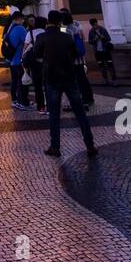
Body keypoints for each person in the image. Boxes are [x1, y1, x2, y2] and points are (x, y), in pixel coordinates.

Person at [41, 12, 96, 157]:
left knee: (54, 114)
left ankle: (55, 147)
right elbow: (76, 52)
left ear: (48, 21)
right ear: (60, 22)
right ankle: (90, 145)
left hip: (52, 79)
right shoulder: (66, 37)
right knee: (80, 112)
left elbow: (36, 53)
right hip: (69, 78)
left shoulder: (42, 37)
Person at [2, 14, 29, 109]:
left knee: (15, 80)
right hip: (19, 59)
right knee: (22, 81)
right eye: (22, 19)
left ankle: (15, 100)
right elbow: (28, 40)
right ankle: (22, 102)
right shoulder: (20, 29)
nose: (23, 20)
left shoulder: (10, 29)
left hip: (12, 60)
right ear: (19, 19)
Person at [88, 18, 116, 85]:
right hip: (97, 51)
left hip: (105, 50)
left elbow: (109, 38)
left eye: (95, 24)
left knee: (110, 64)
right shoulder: (91, 31)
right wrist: (95, 39)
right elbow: (90, 42)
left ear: (96, 23)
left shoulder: (102, 29)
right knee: (101, 66)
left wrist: (103, 37)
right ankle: (106, 80)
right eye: (93, 25)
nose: (94, 25)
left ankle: (113, 80)